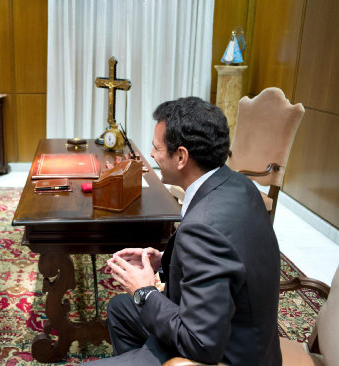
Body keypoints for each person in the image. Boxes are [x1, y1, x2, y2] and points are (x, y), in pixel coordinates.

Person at [86, 97, 281, 365]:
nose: (152, 155)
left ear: (181, 157)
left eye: (156, 148)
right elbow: (225, 257)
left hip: (226, 354)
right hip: (245, 334)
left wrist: (145, 292)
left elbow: (200, 343)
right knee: (120, 309)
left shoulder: (203, 226)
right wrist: (165, 259)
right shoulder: (238, 185)